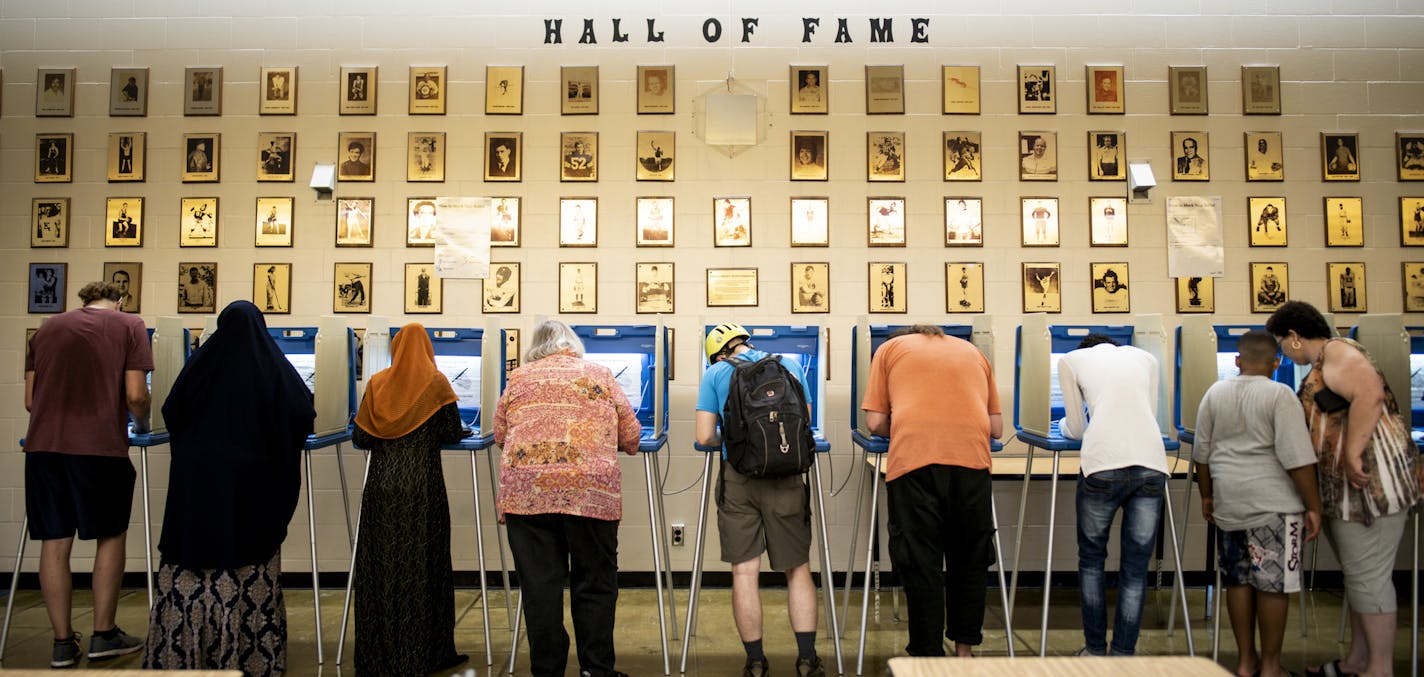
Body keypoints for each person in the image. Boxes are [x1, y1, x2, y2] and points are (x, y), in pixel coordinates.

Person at [142, 300, 314, 674]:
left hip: (195, 485)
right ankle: (248, 656)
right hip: (249, 487)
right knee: (249, 559)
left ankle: (184, 655)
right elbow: (303, 411)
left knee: (187, 564)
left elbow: (171, 411)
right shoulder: (270, 365)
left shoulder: (201, 364)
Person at [1266, 301, 1422, 677]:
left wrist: (1352, 453)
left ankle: (1380, 668)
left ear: (1295, 337)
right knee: (1359, 575)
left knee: (1369, 577)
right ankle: (1357, 660)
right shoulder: (1326, 362)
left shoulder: (1338, 351)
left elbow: (1370, 393)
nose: (1283, 353)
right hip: (1353, 493)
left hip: (1370, 487)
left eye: (1282, 344)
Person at [492, 321, 641, 677]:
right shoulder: (600, 375)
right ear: (572, 346)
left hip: (527, 496)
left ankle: (547, 670)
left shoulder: (519, 378)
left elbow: (499, 434)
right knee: (595, 583)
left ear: (535, 347)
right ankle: (596, 669)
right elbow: (632, 435)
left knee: (540, 588)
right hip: (589, 493)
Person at [24, 281, 152, 668]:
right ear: (119, 301)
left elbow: (31, 400)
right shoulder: (129, 325)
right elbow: (135, 395)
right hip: (98, 447)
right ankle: (103, 634)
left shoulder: (47, 329)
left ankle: (62, 644)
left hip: (44, 447)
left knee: (54, 542)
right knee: (110, 536)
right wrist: (142, 423)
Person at [860, 325, 1001, 657]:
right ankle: (964, 653)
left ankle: (928, 655)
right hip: (972, 465)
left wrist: (911, 418)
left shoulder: (889, 350)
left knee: (921, 562)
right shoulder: (975, 353)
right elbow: (997, 428)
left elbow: (875, 423)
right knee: (970, 560)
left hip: (915, 464)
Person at [695, 324, 825, 677]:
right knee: (797, 569)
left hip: (740, 478)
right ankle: (807, 660)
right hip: (786, 476)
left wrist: (737, 438)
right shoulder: (790, 366)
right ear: (746, 342)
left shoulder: (716, 373)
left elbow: (704, 435)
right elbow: (807, 422)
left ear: (719, 352)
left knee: (745, 571)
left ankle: (755, 662)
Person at [1192, 329, 1322, 677]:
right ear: (1276, 362)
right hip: (1275, 507)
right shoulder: (1280, 395)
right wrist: (1314, 506)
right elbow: (1297, 458)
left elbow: (1200, 454)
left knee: (1238, 582)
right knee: (1274, 585)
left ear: (1237, 361)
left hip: (1229, 502)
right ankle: (1270, 667)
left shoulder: (1215, 393)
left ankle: (1245, 662)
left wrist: (1207, 495)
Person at [352, 324, 470, 676]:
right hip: (422, 488)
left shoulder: (376, 384)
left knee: (380, 571)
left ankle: (378, 660)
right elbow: (450, 431)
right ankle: (423, 657)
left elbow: (361, 436)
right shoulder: (435, 384)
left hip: (380, 489)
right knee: (424, 568)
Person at [1056, 333, 1169, 656]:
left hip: (1102, 466)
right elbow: (1149, 413)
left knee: (1092, 561)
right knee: (1135, 568)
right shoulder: (1146, 359)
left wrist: (1062, 424)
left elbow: (1076, 429)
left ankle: (1094, 651)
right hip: (1151, 464)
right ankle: (1122, 655)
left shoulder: (1071, 361)